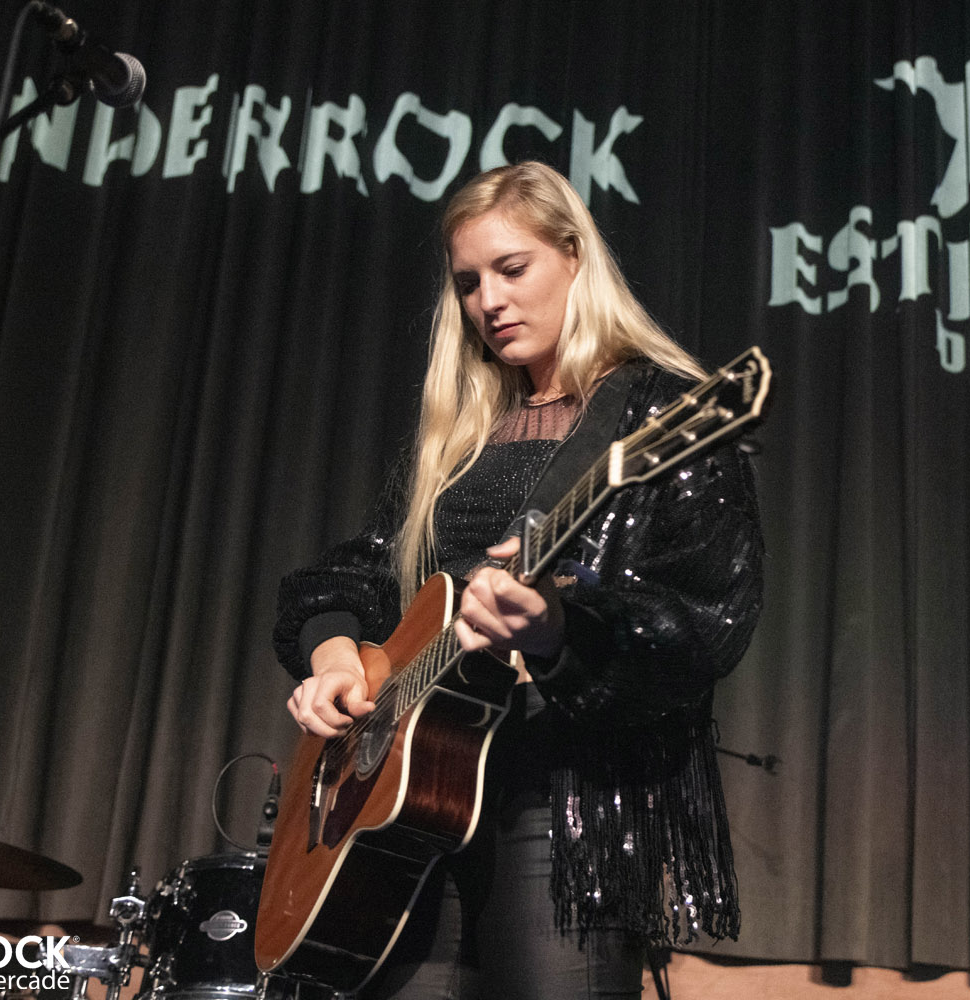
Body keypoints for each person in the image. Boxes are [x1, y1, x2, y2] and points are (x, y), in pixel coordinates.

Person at [273, 161, 763, 1000]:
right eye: (469, 282)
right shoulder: (466, 431)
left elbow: (704, 619)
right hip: (409, 803)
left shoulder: (656, 412)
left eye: (511, 268)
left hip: (560, 798)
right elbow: (351, 571)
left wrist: (558, 630)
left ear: (575, 257)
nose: (489, 301)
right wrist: (335, 656)